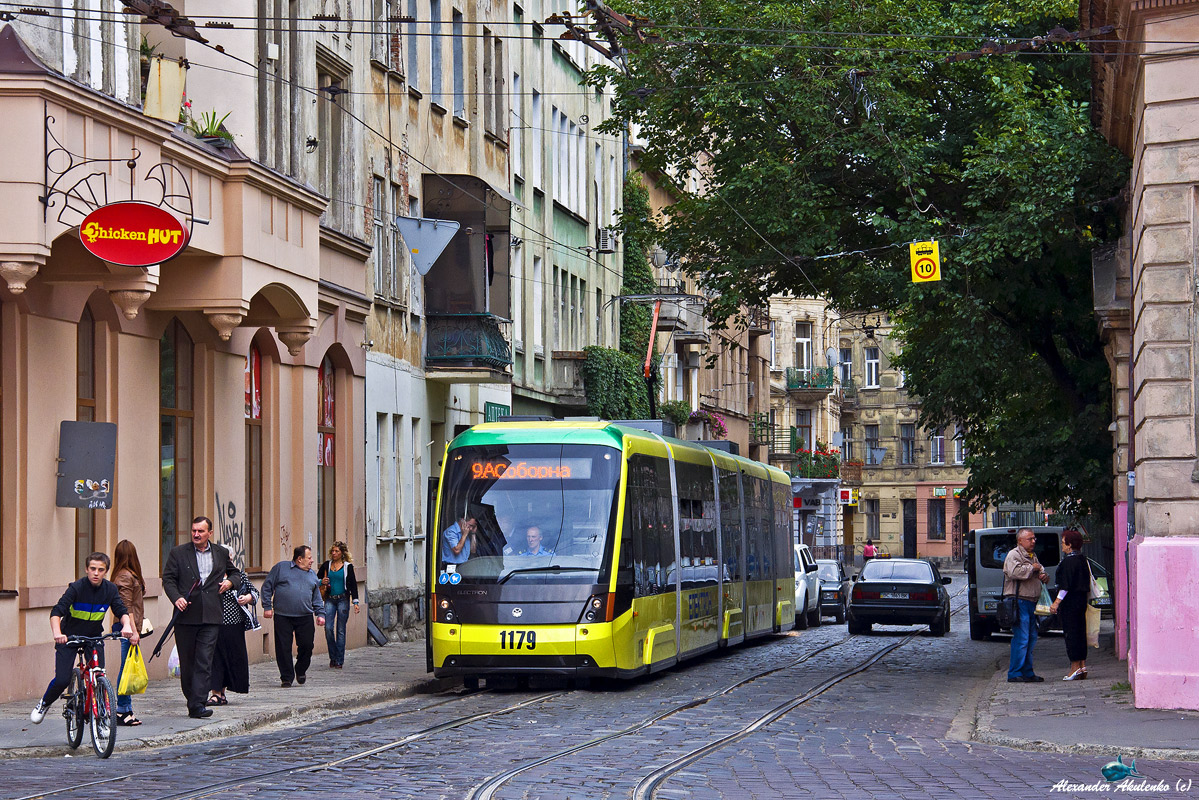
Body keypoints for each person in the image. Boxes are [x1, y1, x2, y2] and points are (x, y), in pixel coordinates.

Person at [30, 552, 138, 724]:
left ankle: (101, 720)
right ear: (86, 569)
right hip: (69, 637)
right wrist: (58, 634)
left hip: (93, 638)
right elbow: (57, 612)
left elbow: (121, 610)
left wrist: (126, 626)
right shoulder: (77, 588)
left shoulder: (110, 589)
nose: (96, 573)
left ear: (106, 572)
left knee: (98, 675)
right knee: (62, 679)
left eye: (100, 570)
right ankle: (44, 703)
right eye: (93, 569)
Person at [162, 516, 243, 719]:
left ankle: (198, 703)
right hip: (186, 615)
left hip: (212, 615)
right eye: (194, 531)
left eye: (201, 531)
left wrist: (230, 583)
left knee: (204, 660)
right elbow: (169, 579)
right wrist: (176, 598)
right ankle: (192, 697)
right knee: (188, 662)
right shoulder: (178, 553)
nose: (196, 534)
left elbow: (236, 574)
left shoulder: (221, 553)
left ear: (210, 533)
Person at [261, 545, 325, 687]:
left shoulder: (312, 575)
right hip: (283, 615)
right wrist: (267, 606)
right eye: (309, 558)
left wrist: (320, 613)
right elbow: (267, 586)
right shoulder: (281, 568)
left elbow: (316, 597)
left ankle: (300, 669)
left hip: (305, 615)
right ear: (299, 559)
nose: (312, 561)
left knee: (307, 645)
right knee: (283, 647)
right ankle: (286, 677)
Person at [1003, 527, 1050, 683]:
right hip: (1019, 601)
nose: (1033, 541)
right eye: (1030, 539)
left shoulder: (1033, 556)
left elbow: (1040, 570)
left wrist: (1043, 575)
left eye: (1034, 538)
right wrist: (1033, 568)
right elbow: (1014, 572)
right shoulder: (1013, 555)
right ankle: (1015, 672)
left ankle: (1027, 672)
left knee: (1031, 638)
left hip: (1032, 601)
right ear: (1020, 541)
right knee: (1022, 638)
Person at [208, 573, 260, 705]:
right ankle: (216, 694)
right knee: (216, 659)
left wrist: (247, 598)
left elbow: (255, 592)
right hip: (214, 623)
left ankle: (222, 693)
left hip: (235, 625)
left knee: (230, 659)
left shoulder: (238, 575)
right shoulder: (212, 573)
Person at [110, 540, 147, 726]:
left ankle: (126, 709)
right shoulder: (125, 576)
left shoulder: (125, 574)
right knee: (126, 669)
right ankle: (122, 711)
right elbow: (126, 607)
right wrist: (132, 631)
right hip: (127, 629)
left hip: (130, 628)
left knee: (128, 668)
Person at [1050, 529, 1090, 681]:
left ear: (1069, 544)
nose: (1062, 546)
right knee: (1080, 631)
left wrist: (1056, 602)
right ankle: (1082, 665)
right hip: (1081, 600)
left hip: (1070, 601)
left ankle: (1074, 667)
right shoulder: (1082, 559)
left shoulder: (1068, 561)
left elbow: (1065, 585)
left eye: (1063, 543)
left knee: (1071, 633)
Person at [317, 541, 360, 669]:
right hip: (329, 599)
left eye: (336, 551)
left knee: (340, 630)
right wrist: (321, 581)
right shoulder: (326, 565)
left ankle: (339, 660)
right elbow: (314, 580)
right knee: (328, 628)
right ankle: (333, 656)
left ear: (342, 553)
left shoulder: (348, 567)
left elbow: (353, 585)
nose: (334, 553)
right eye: (333, 551)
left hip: (343, 599)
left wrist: (356, 602)